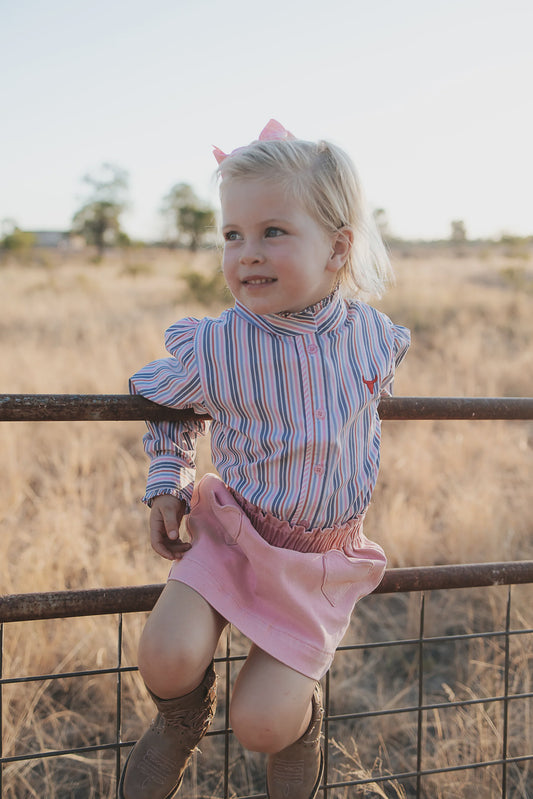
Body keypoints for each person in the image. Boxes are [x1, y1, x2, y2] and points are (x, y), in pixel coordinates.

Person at [119, 119, 410, 799]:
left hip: (315, 562)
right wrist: (169, 484)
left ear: (337, 247)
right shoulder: (218, 345)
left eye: (273, 232)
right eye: (232, 235)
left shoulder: (371, 336)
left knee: (262, 723)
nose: (246, 253)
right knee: (165, 658)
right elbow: (167, 409)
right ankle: (181, 719)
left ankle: (297, 726)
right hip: (231, 531)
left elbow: (366, 407)